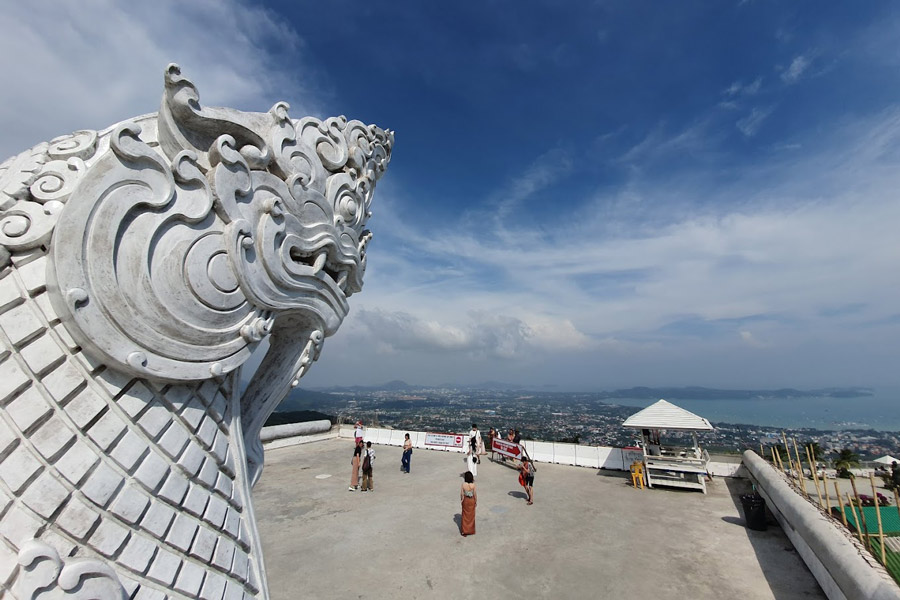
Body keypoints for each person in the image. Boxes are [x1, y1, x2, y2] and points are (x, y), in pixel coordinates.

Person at [460, 471, 477, 536]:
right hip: (471, 500)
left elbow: (461, 494)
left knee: (465, 515)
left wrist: (461, 500)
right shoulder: (473, 485)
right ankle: (471, 530)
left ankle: (464, 531)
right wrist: (476, 501)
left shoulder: (463, 485)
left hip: (466, 500)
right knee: (471, 516)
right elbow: (475, 494)